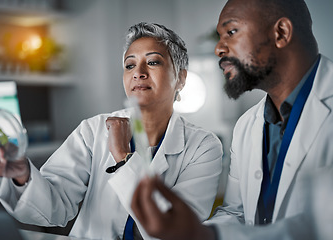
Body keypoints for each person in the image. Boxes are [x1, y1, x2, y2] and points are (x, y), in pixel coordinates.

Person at [0, 22, 223, 240]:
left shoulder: (203, 146)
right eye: (129, 65)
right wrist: (22, 174)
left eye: (153, 61)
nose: (138, 72)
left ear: (180, 78)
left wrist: (123, 158)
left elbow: (177, 232)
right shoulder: (93, 130)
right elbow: (54, 208)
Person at [131, 0, 333, 239]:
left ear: (281, 33)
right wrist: (199, 232)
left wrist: (201, 235)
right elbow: (236, 213)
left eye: (231, 32)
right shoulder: (248, 125)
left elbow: (319, 227)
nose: (219, 49)